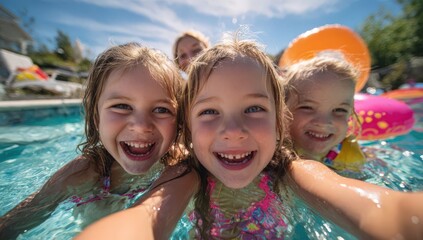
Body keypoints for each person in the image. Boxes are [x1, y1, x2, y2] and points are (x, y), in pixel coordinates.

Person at [76, 37, 423, 240]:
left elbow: (379, 207)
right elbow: (147, 217)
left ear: (279, 122)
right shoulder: (187, 175)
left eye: (254, 109)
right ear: (187, 128)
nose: (233, 130)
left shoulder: (291, 169)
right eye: (209, 112)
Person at [0, 42, 185, 239]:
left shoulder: (179, 165)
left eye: (161, 109)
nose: (141, 125)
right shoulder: (81, 174)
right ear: (96, 118)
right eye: (122, 106)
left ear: (179, 120)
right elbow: (14, 224)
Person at [284, 56, 366, 172]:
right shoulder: (272, 152)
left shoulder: (349, 154)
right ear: (283, 109)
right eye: (307, 107)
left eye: (339, 110)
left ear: (350, 114)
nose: (323, 123)